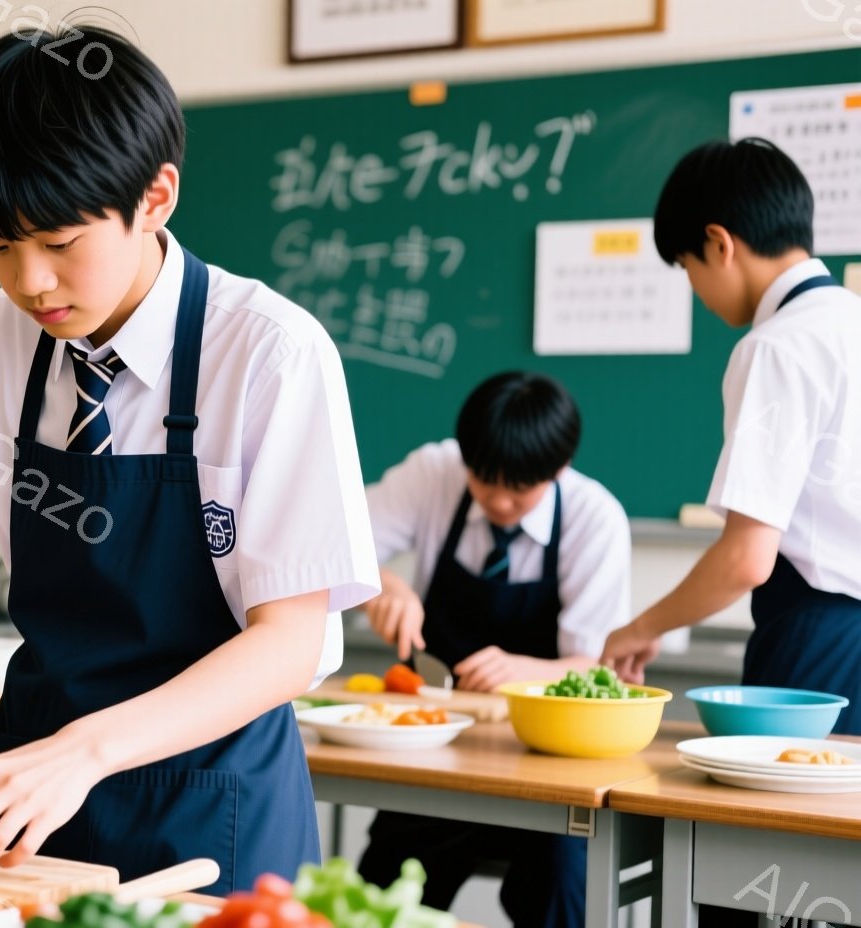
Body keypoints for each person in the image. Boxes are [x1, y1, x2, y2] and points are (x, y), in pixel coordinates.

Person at [0, 27, 378, 892]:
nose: (30, 282)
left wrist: (90, 750)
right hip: (22, 794)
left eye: (59, 241)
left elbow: (291, 643)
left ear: (155, 197)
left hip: (210, 796)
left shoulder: (270, 354)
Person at [603, 137, 861, 736]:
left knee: (773, 829)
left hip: (819, 647)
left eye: (687, 268)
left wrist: (643, 626)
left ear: (720, 244)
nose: (694, 289)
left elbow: (747, 558)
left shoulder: (776, 345)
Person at [357, 370, 631, 928]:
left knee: (562, 888)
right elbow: (340, 546)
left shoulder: (594, 519)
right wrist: (385, 587)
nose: (501, 501)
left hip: (547, 774)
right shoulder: (434, 470)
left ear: (558, 470)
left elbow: (598, 670)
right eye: (484, 481)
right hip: (431, 755)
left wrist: (527, 672)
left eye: (520, 489)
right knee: (377, 898)